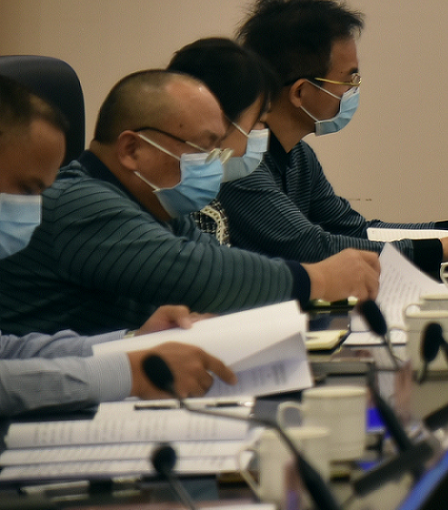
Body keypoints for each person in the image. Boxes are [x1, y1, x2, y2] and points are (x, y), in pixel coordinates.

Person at [0, 70, 380, 335]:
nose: (215, 162)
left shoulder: (155, 203)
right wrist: (318, 279)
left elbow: (210, 265)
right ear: (131, 149)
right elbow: (198, 275)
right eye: (202, 148)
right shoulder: (78, 203)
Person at [228, 0, 448, 275]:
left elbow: (357, 231)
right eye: (349, 80)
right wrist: (446, 247)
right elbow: (311, 247)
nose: (354, 90)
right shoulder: (240, 163)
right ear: (300, 92)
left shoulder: (299, 156)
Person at [0, 75, 236, 413]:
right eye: (26, 189)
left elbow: (8, 351)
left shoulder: (159, 204)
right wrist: (129, 373)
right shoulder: (80, 202)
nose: (35, 211)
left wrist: (133, 344)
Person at [166, 36, 278, 246]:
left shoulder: (207, 202)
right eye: (260, 120)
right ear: (218, 121)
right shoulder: (167, 202)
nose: (263, 132)